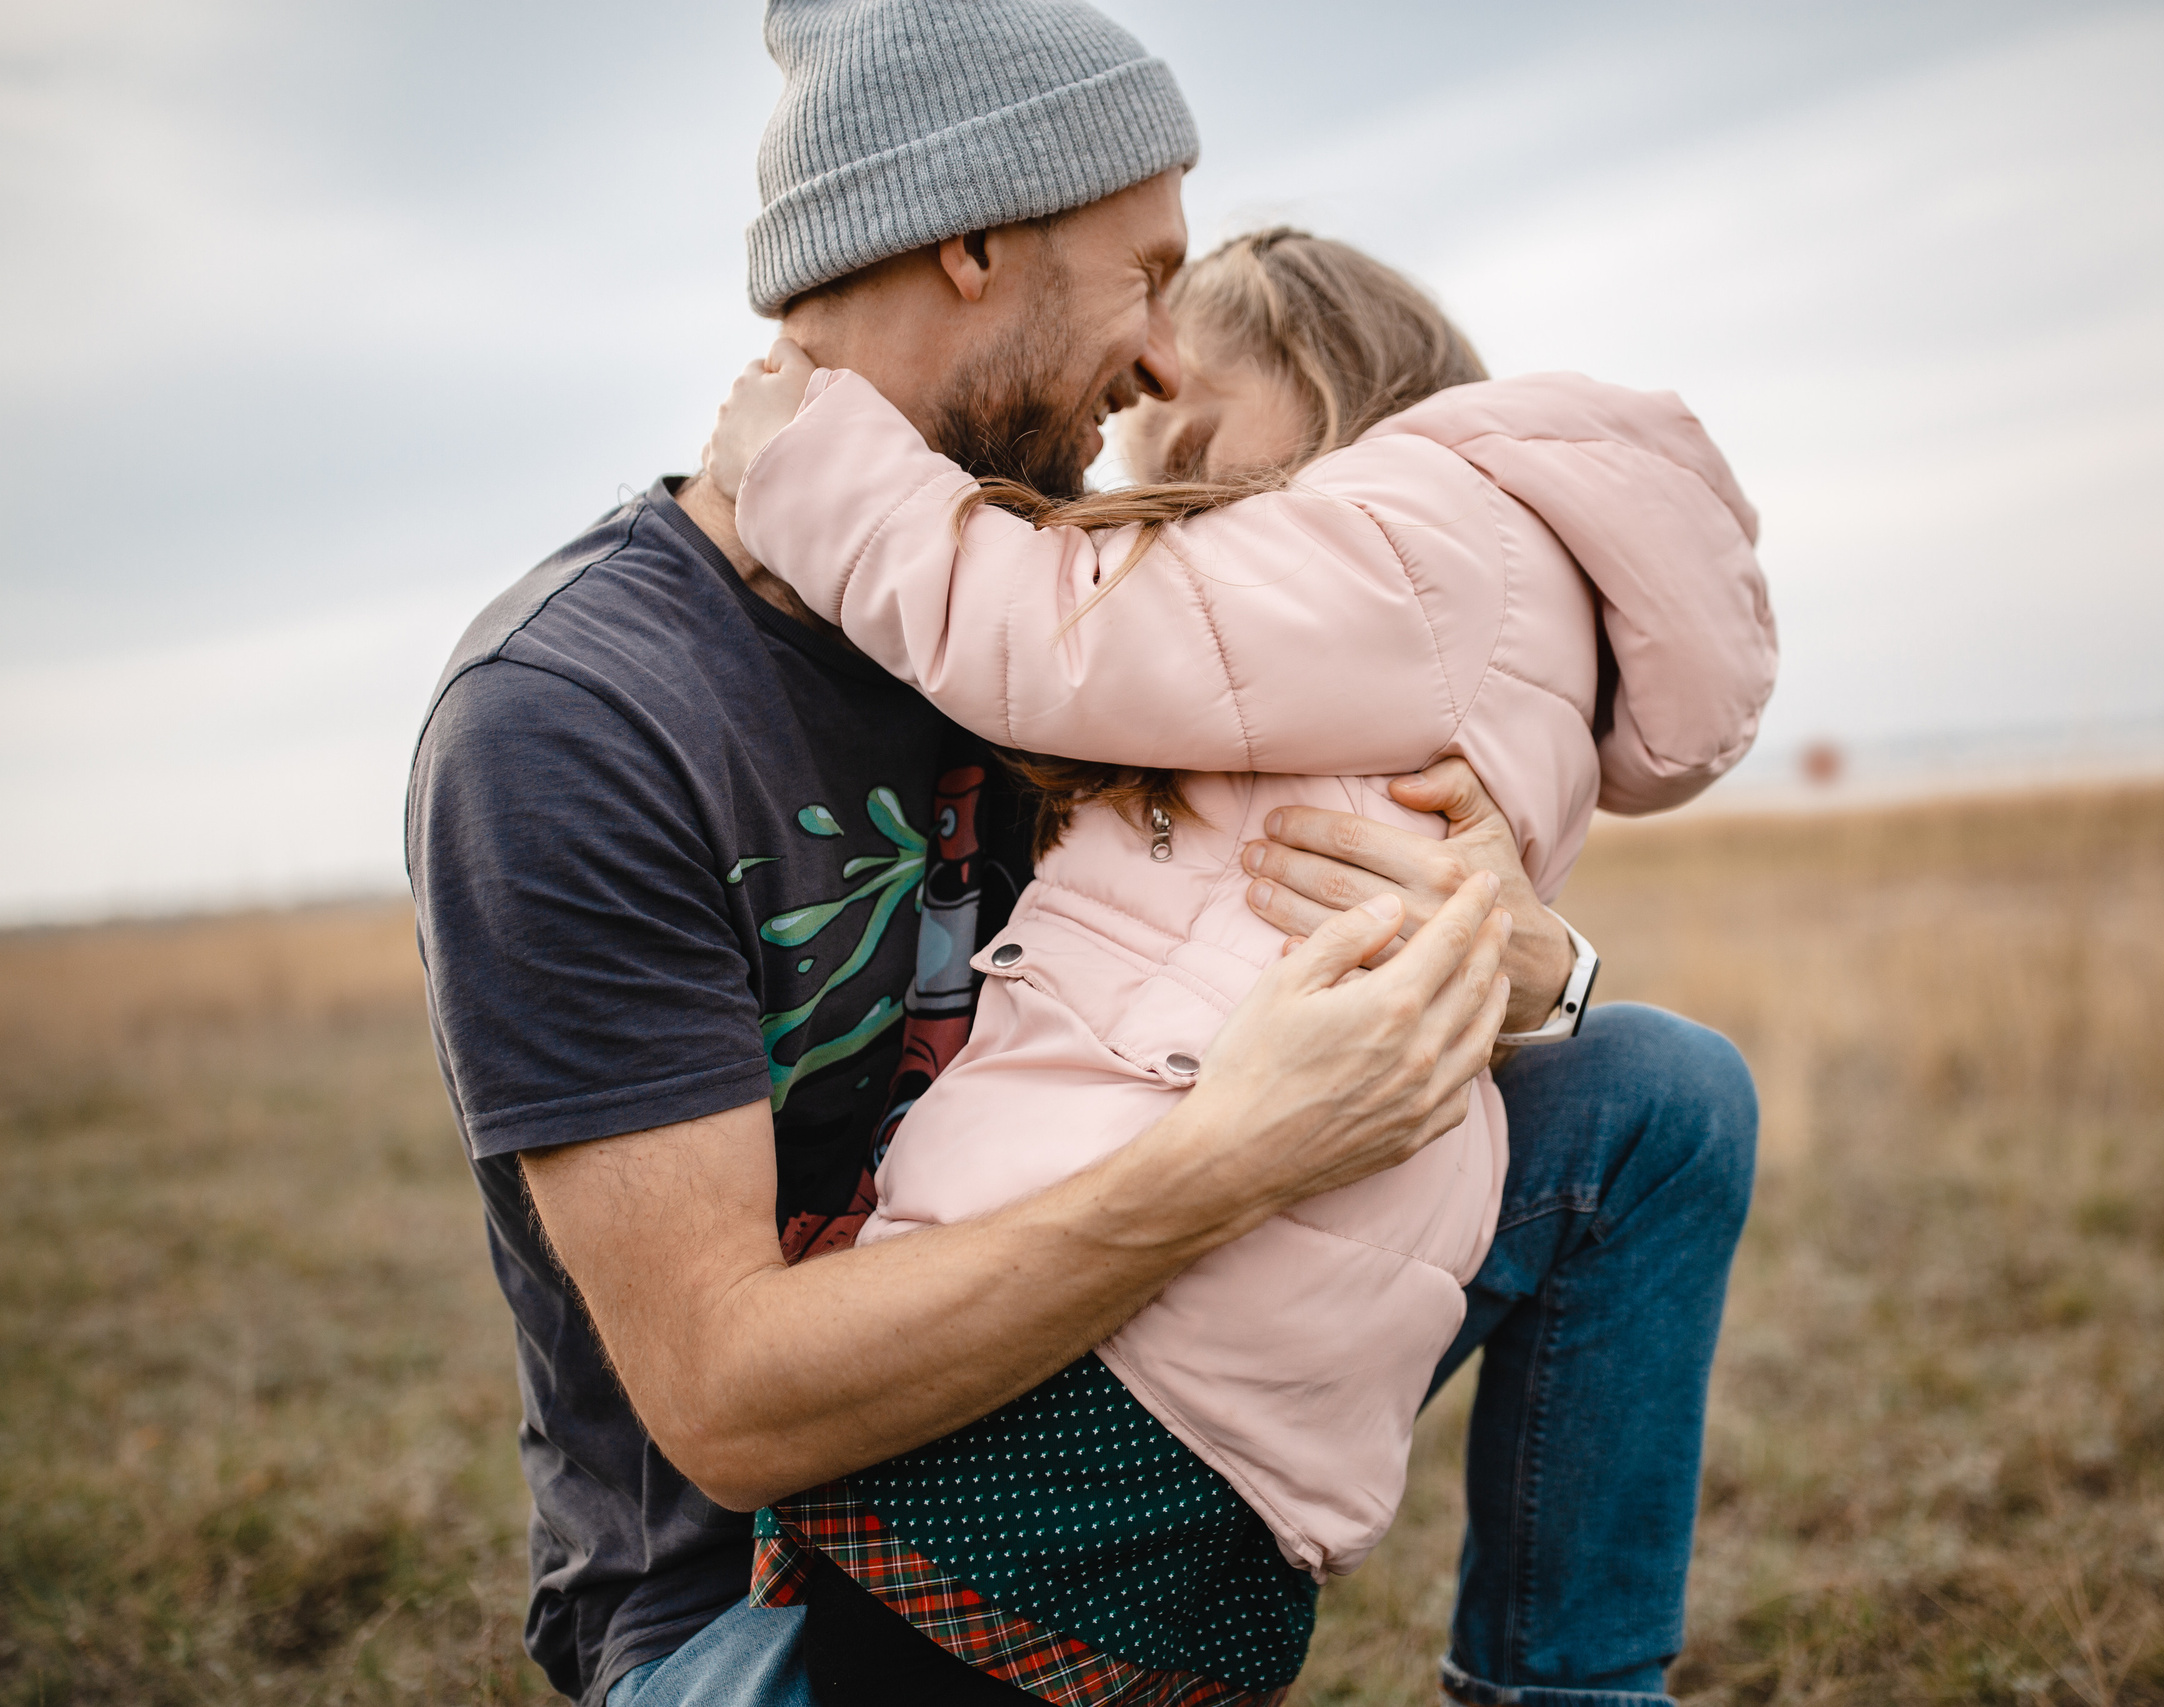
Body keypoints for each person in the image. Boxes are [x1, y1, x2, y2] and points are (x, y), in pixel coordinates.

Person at [404, 4, 1762, 1704]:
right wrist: (1233, 1156)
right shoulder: (578, 720)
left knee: (1655, 1090)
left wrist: (1519, 955)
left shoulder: (1101, 608)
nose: (1165, 370)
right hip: (775, 1600)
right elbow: (729, 1405)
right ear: (971, 242)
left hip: (1116, 1367)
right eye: (1145, 276)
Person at [693, 227, 1775, 1701]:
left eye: (1187, 419)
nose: (1144, 461)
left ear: (1325, 375)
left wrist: (803, 451)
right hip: (1273, 1343)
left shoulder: (1399, 537)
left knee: (904, 1650)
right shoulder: (1481, 598)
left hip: (1147, 1320)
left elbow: (1049, 634)